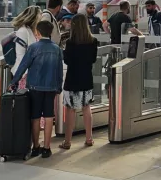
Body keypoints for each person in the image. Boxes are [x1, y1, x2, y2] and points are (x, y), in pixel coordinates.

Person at [10, 20, 63, 159]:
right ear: (51, 32)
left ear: (37, 32)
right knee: (49, 116)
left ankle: (36, 147)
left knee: (35, 116)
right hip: (51, 87)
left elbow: (23, 66)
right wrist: (59, 86)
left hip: (34, 87)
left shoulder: (33, 48)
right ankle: (47, 147)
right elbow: (59, 71)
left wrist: (14, 81)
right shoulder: (57, 49)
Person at [60, 14, 98, 150]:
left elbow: (67, 61)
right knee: (86, 107)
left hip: (72, 78)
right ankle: (89, 138)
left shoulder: (70, 42)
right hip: (86, 77)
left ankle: (68, 141)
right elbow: (93, 60)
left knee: (70, 109)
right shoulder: (93, 41)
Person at [11, 6, 42, 71]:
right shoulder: (23, 32)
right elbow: (21, 55)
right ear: (34, 18)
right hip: (25, 73)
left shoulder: (33, 32)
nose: (41, 19)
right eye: (40, 16)